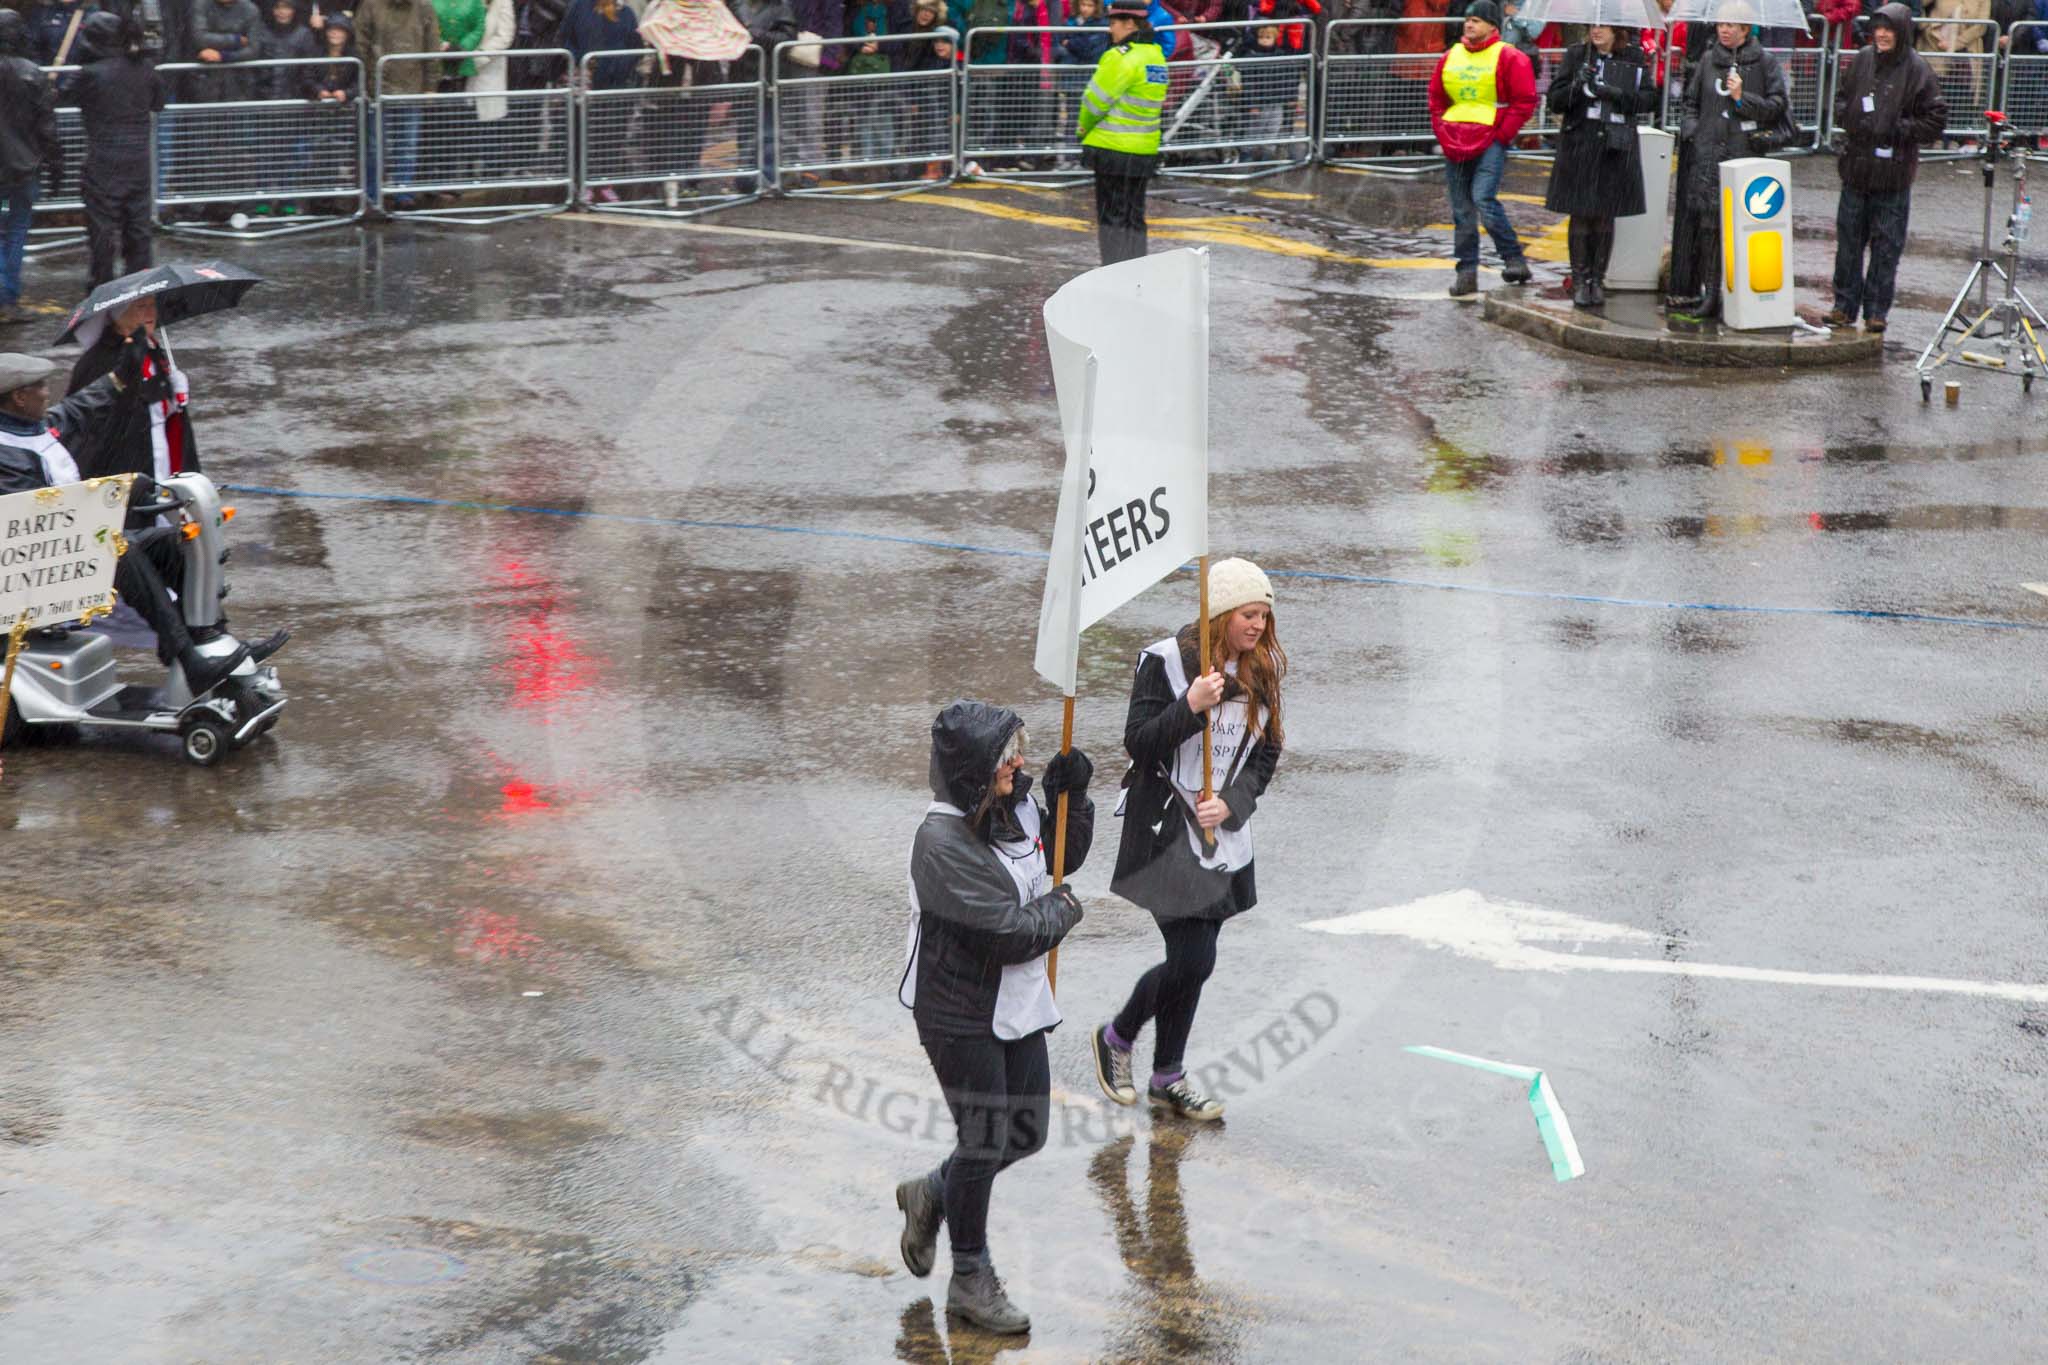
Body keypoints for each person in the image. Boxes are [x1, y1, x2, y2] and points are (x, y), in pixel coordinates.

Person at [892, 700, 1093, 1336]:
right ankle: (970, 1278)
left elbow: (1064, 857)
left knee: (1025, 1131)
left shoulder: (1012, 806)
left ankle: (932, 1192)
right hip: (959, 1011)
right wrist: (1063, 910)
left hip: (1017, 1002)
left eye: (1021, 752)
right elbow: (1009, 932)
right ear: (976, 767)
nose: (1021, 763)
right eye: (1008, 756)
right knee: (984, 1137)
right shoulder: (941, 841)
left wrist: (1074, 800)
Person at [1091, 557, 1286, 1124]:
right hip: (1164, 831)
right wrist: (1190, 707)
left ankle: (1167, 1076)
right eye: (1249, 615)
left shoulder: (1261, 669)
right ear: (1222, 612)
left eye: (1264, 617)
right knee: (1194, 957)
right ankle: (1118, 1035)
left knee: (1195, 958)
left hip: (1222, 834)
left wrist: (1234, 803)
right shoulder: (1165, 662)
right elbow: (1139, 744)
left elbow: (1268, 752)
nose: (1258, 627)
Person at [0, 350, 262, 697]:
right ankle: (190, 660)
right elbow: (42, 516)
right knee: (120, 548)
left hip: (67, 551)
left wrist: (121, 373)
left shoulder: (34, 426)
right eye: (41, 387)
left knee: (175, 543)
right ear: (19, 398)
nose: (48, 393)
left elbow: (78, 409)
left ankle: (209, 641)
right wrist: (120, 492)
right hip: (29, 573)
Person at [1828, 3, 1946, 333]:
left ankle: (1876, 310)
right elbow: (1841, 97)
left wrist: (1900, 129)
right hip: (1856, 169)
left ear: (1901, 33)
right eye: (1878, 28)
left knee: (1886, 247)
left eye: (1889, 29)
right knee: (1849, 242)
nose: (1882, 34)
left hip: (1893, 175)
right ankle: (1843, 305)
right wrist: (1849, 117)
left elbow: (1936, 118)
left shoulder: (1918, 68)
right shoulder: (1863, 59)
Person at [1668, 4, 1789, 317]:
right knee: (1708, 228)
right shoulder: (1709, 59)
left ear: (1745, 29)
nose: (1725, 29)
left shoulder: (1764, 62)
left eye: (1732, 25)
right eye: (1721, 24)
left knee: (1740, 230)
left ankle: (1740, 294)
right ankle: (1711, 294)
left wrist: (1741, 98)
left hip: (1744, 157)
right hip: (1708, 155)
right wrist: (1693, 131)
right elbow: (1691, 102)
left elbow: (1776, 107)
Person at [1430, 0, 1536, 297]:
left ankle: (1513, 258)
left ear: (1492, 25)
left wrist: (1502, 136)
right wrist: (1442, 129)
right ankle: (1467, 272)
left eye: (1476, 20)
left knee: (1483, 200)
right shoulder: (1451, 55)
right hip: (1456, 140)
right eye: (1467, 20)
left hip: (1490, 139)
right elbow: (1436, 98)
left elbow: (1524, 101)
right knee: (1462, 210)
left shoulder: (1509, 57)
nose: (1469, 24)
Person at [1543, 21, 1652, 309]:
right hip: (1581, 141)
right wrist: (1577, 85)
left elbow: (1649, 100)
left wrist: (1616, 94)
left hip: (1615, 144)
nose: (1596, 32)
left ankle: (1597, 280)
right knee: (1580, 212)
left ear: (1617, 31)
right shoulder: (1577, 54)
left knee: (1605, 214)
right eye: (1593, 26)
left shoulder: (1634, 57)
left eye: (1603, 27)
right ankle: (1579, 280)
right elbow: (1555, 100)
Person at [67, 295, 198, 503]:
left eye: (153, 305)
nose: (150, 313)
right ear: (118, 317)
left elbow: (158, 411)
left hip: (159, 453)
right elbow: (88, 417)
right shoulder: (99, 361)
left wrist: (174, 396)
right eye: (141, 307)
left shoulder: (152, 349)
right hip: (122, 460)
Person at [72, 12, 164, 290]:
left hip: (103, 160)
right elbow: (158, 104)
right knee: (138, 228)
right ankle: (139, 284)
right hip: (137, 161)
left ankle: (102, 284)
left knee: (102, 229)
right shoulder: (145, 68)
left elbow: (72, 97)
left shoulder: (89, 74)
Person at [1078, 0, 1166, 266]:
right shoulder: (1156, 56)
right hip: (1143, 151)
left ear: (1129, 23)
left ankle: (1113, 271)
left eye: (1113, 23)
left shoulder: (1120, 57)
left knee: (1112, 217)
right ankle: (1136, 270)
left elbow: (1094, 102)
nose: (1110, 29)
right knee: (1134, 215)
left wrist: (1082, 128)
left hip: (1112, 148)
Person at [0, 11, 62, 329]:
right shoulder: (32, 73)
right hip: (24, 168)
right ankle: (7, 298)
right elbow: (47, 127)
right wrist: (56, 166)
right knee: (16, 232)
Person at [354, 0, 443, 208]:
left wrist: (430, 85)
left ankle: (403, 192)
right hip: (377, 88)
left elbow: (432, 46)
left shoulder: (424, 7)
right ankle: (373, 194)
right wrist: (367, 82)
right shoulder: (370, 5)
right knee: (375, 146)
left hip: (411, 88)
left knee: (407, 145)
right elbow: (361, 45)